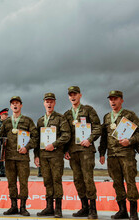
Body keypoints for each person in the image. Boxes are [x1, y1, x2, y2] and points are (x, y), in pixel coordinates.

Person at [99, 90, 139, 220]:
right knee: (117, 183)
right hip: (112, 156)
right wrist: (102, 153)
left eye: (115, 99)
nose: (113, 101)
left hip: (126, 154)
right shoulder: (106, 117)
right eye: (111, 99)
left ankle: (133, 211)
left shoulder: (130, 115)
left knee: (130, 182)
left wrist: (130, 141)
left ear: (121, 100)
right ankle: (122, 210)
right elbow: (103, 137)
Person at [64, 86, 101, 219]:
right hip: (73, 152)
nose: (72, 97)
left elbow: (98, 127)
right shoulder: (67, 115)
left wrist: (90, 139)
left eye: (75, 94)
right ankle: (84, 207)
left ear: (80, 95)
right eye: (70, 95)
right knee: (78, 180)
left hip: (86, 150)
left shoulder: (88, 110)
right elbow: (65, 134)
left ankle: (93, 210)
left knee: (88, 179)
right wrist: (65, 150)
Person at [0, 96, 38, 216]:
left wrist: (27, 147)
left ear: (21, 105)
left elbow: (35, 137)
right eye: (13, 104)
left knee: (23, 183)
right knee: (11, 183)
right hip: (9, 158)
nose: (15, 105)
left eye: (17, 103)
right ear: (11, 106)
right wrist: (0, 154)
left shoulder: (28, 121)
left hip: (22, 158)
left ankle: (23, 207)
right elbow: (1, 139)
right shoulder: (6, 122)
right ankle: (13, 206)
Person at [34, 93, 71, 218]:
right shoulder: (40, 120)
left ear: (54, 103)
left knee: (56, 180)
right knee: (47, 181)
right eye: (47, 101)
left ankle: (58, 209)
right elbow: (37, 139)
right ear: (44, 103)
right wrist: (36, 155)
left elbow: (66, 135)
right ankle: (49, 207)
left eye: (51, 101)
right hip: (43, 155)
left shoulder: (60, 118)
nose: (49, 104)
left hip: (56, 155)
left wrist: (54, 144)